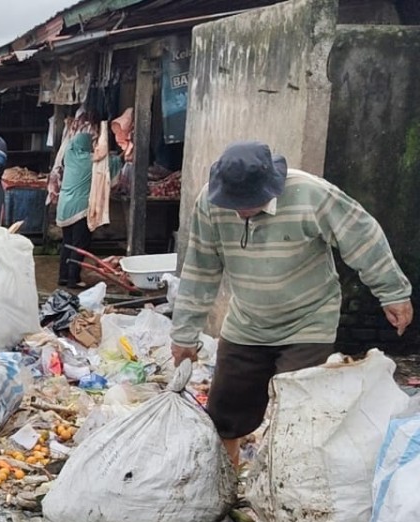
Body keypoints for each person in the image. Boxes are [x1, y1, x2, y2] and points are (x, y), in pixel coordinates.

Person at [171, 141, 414, 468]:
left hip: (308, 321)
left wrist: (393, 292)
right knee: (225, 415)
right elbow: (201, 269)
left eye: (248, 203)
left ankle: (287, 492)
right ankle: (224, 487)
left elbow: (362, 236)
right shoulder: (212, 203)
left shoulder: (311, 194)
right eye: (233, 203)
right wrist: (184, 335)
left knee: (296, 415)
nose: (240, 210)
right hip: (247, 322)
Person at [55, 132, 95, 288]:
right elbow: (108, 163)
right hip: (79, 209)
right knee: (79, 245)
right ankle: (74, 279)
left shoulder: (69, 156)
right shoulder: (89, 161)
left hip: (64, 207)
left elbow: (69, 144)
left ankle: (63, 277)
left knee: (67, 243)